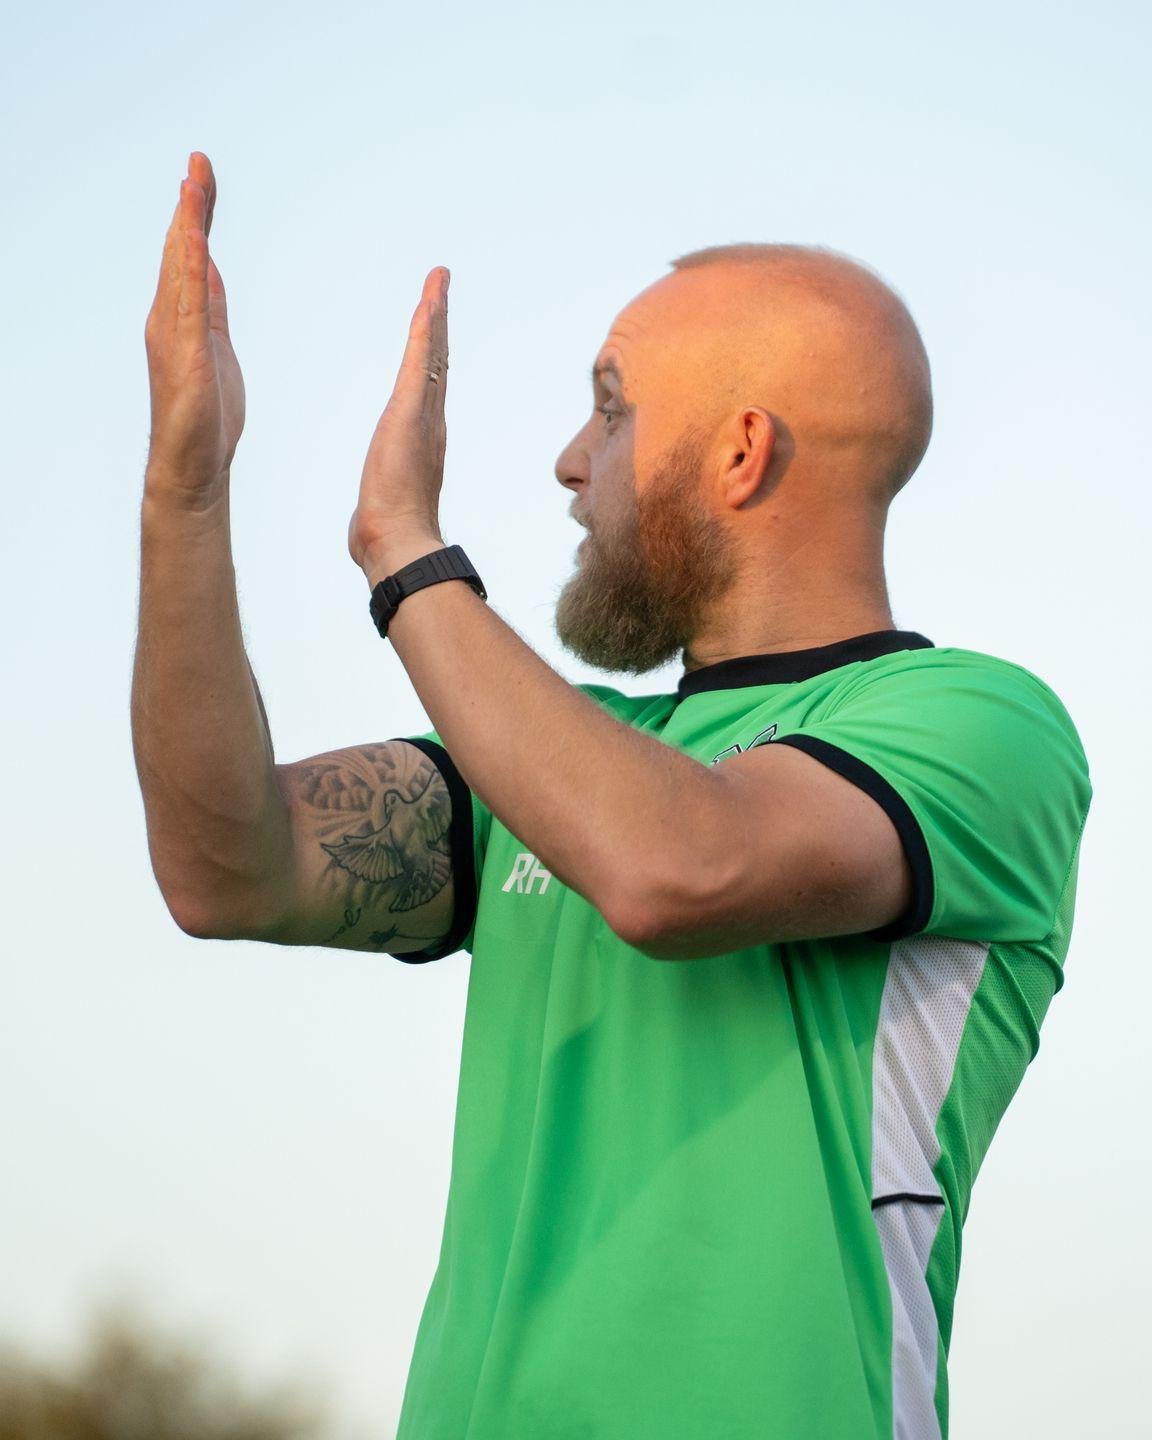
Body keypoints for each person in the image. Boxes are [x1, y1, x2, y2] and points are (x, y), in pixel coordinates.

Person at [132, 152, 1092, 1440]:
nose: (571, 462)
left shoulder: (978, 725)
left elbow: (674, 869)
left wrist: (406, 552)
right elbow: (224, 868)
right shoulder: (561, 763)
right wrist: (185, 491)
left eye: (612, 408)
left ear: (741, 452)